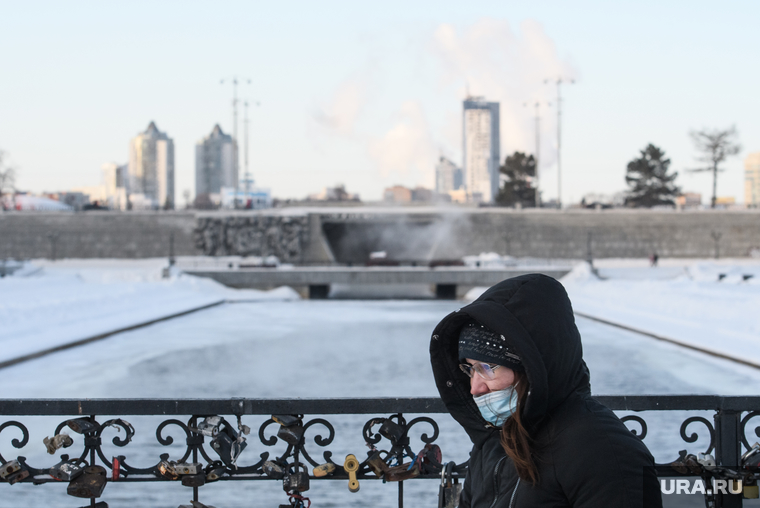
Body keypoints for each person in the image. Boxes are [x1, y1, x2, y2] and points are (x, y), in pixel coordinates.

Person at [429, 274, 662, 507]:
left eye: (487, 368)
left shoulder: (603, 452)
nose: (474, 388)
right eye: (470, 369)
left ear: (531, 367)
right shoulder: (494, 442)